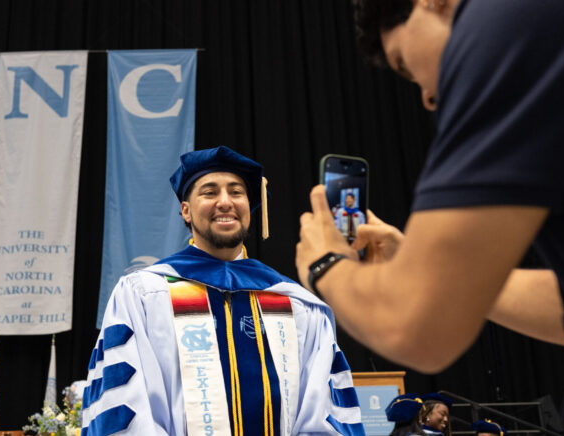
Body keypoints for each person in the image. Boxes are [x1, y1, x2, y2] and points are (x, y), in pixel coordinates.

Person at [295, 0, 564, 379]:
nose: (425, 96)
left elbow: (416, 329)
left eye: (405, 64)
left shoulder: (509, 22)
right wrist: (454, 278)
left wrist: (324, 264)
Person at [82, 146, 365, 435]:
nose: (225, 202)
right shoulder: (144, 294)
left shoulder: (295, 303)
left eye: (236, 192)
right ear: (186, 211)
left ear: (249, 209)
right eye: (209, 192)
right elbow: (124, 403)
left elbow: (324, 413)